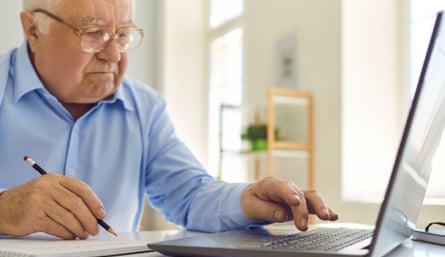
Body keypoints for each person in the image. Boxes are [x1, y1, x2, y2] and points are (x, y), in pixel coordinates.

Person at [0, 0, 338, 240]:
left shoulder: (145, 107)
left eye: (122, 35)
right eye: (93, 33)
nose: (114, 55)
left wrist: (247, 200)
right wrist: (7, 208)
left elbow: (190, 196)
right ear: (33, 29)